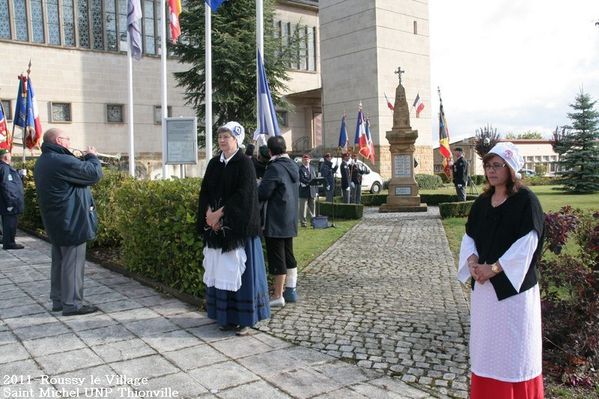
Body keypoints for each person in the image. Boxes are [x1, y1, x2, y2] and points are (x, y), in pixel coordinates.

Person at [457, 142, 544, 399]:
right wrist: (473, 263)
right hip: (485, 292)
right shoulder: (483, 202)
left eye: (497, 165)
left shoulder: (526, 201)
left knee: (515, 351)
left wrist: (493, 269)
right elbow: (470, 236)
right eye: (488, 165)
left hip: (514, 294)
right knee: (486, 350)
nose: (491, 170)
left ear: (511, 168)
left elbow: (528, 243)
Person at [197, 122, 270, 335]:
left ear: (236, 139)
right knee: (220, 272)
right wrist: (209, 214)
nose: (222, 140)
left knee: (241, 275)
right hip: (217, 230)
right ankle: (226, 317)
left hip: (240, 231)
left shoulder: (244, 164)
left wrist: (221, 214)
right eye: (220, 136)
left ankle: (246, 320)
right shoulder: (213, 164)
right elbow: (206, 191)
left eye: (226, 136)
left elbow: (245, 196)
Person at [34, 128, 103, 316]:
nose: (69, 141)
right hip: (71, 220)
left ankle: (58, 300)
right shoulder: (60, 160)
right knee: (72, 264)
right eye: (67, 138)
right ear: (58, 140)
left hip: (58, 220)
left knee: (60, 262)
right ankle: (72, 304)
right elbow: (93, 174)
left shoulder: (45, 160)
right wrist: (92, 156)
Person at [258, 136, 300, 306]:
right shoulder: (293, 165)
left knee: (277, 257)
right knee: (288, 255)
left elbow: (263, 193)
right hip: (289, 216)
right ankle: (290, 290)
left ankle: (277, 295)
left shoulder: (274, 168)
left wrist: (258, 184)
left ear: (269, 151)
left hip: (275, 218)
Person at [0, 149, 25, 250]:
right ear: (6, 157)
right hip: (10, 202)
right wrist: (10, 202)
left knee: (9, 222)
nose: (11, 157)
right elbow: (6, 186)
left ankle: (7, 240)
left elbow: (12, 181)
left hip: (9, 201)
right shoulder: (4, 168)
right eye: (10, 155)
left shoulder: (6, 167)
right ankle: (9, 243)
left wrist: (20, 174)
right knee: (10, 223)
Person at [298, 154, 317, 227]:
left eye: (307, 159)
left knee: (312, 207)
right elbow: (302, 179)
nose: (306, 161)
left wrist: (316, 191)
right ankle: (303, 222)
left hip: (312, 191)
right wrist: (310, 182)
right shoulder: (300, 169)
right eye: (304, 159)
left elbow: (315, 179)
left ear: (310, 160)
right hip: (304, 191)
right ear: (302, 160)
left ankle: (313, 221)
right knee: (303, 208)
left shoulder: (312, 168)